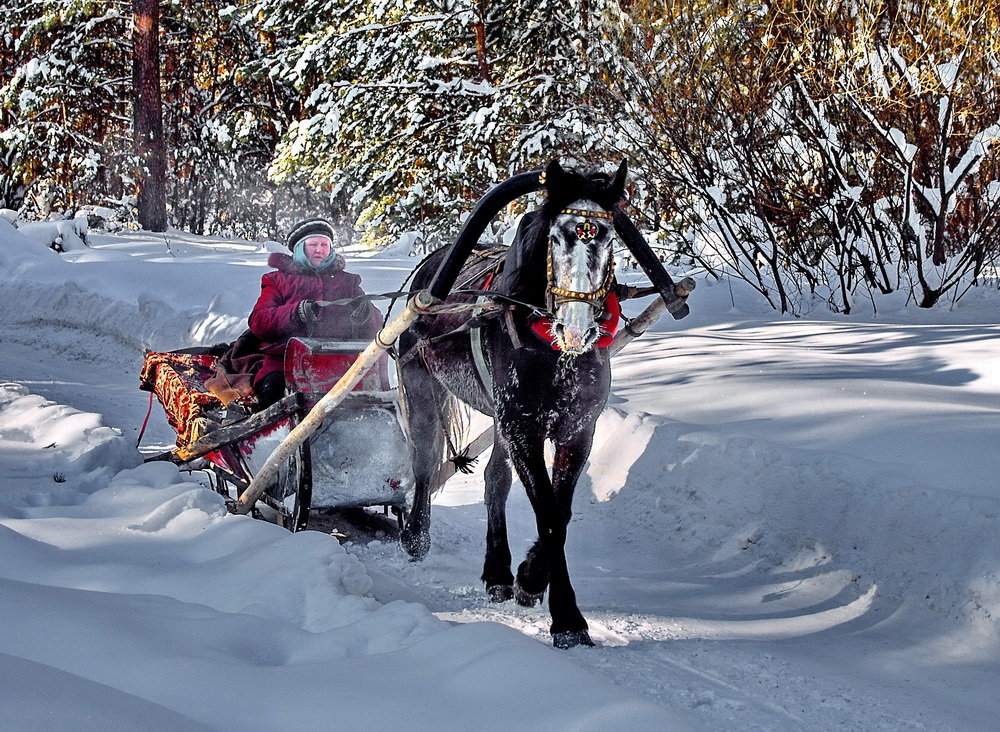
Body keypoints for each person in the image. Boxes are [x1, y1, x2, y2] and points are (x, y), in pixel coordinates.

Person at [246, 219, 382, 407]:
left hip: (340, 362)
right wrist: (295, 313)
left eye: (324, 244)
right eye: (313, 245)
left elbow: (376, 328)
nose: (319, 250)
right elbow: (258, 322)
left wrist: (366, 315)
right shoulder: (277, 280)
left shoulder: (347, 282)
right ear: (300, 248)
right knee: (273, 394)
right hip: (285, 362)